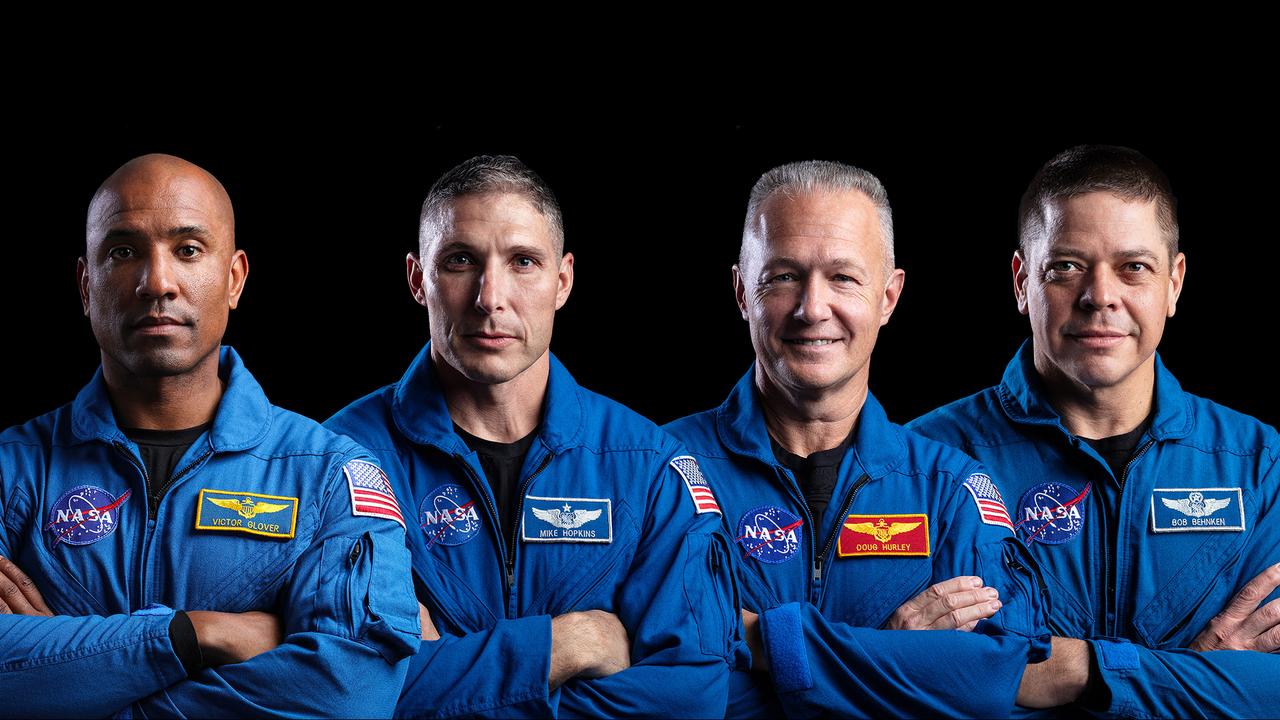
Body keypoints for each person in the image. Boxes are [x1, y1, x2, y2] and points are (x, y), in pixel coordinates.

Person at [0, 154, 419, 718]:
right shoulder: (11, 471)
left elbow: (352, 693)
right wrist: (194, 635)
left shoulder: (330, 476)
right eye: (123, 251)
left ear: (234, 279)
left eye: (188, 250)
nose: (158, 282)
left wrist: (74, 678)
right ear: (85, 284)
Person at [325, 155, 739, 718]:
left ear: (562, 281)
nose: (490, 297)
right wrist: (566, 645)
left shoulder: (648, 467)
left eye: (522, 262)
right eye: (460, 261)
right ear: (417, 279)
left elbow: (692, 698)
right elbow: (348, 693)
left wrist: (449, 673)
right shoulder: (340, 462)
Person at [663, 160, 1050, 718]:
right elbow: (661, 688)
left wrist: (757, 644)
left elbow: (991, 683)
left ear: (889, 297)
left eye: (843, 277)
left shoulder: (950, 491)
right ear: (742, 290)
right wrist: (892, 647)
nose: (812, 308)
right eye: (782, 277)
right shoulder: (660, 471)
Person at [910, 144, 1280, 716]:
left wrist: (1072, 672)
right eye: (1066, 267)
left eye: (1133, 267)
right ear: (1021, 281)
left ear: (1174, 283)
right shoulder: (920, 463)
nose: (1099, 296)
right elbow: (905, 681)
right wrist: (1196, 675)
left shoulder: (1260, 467)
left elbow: (1271, 692)